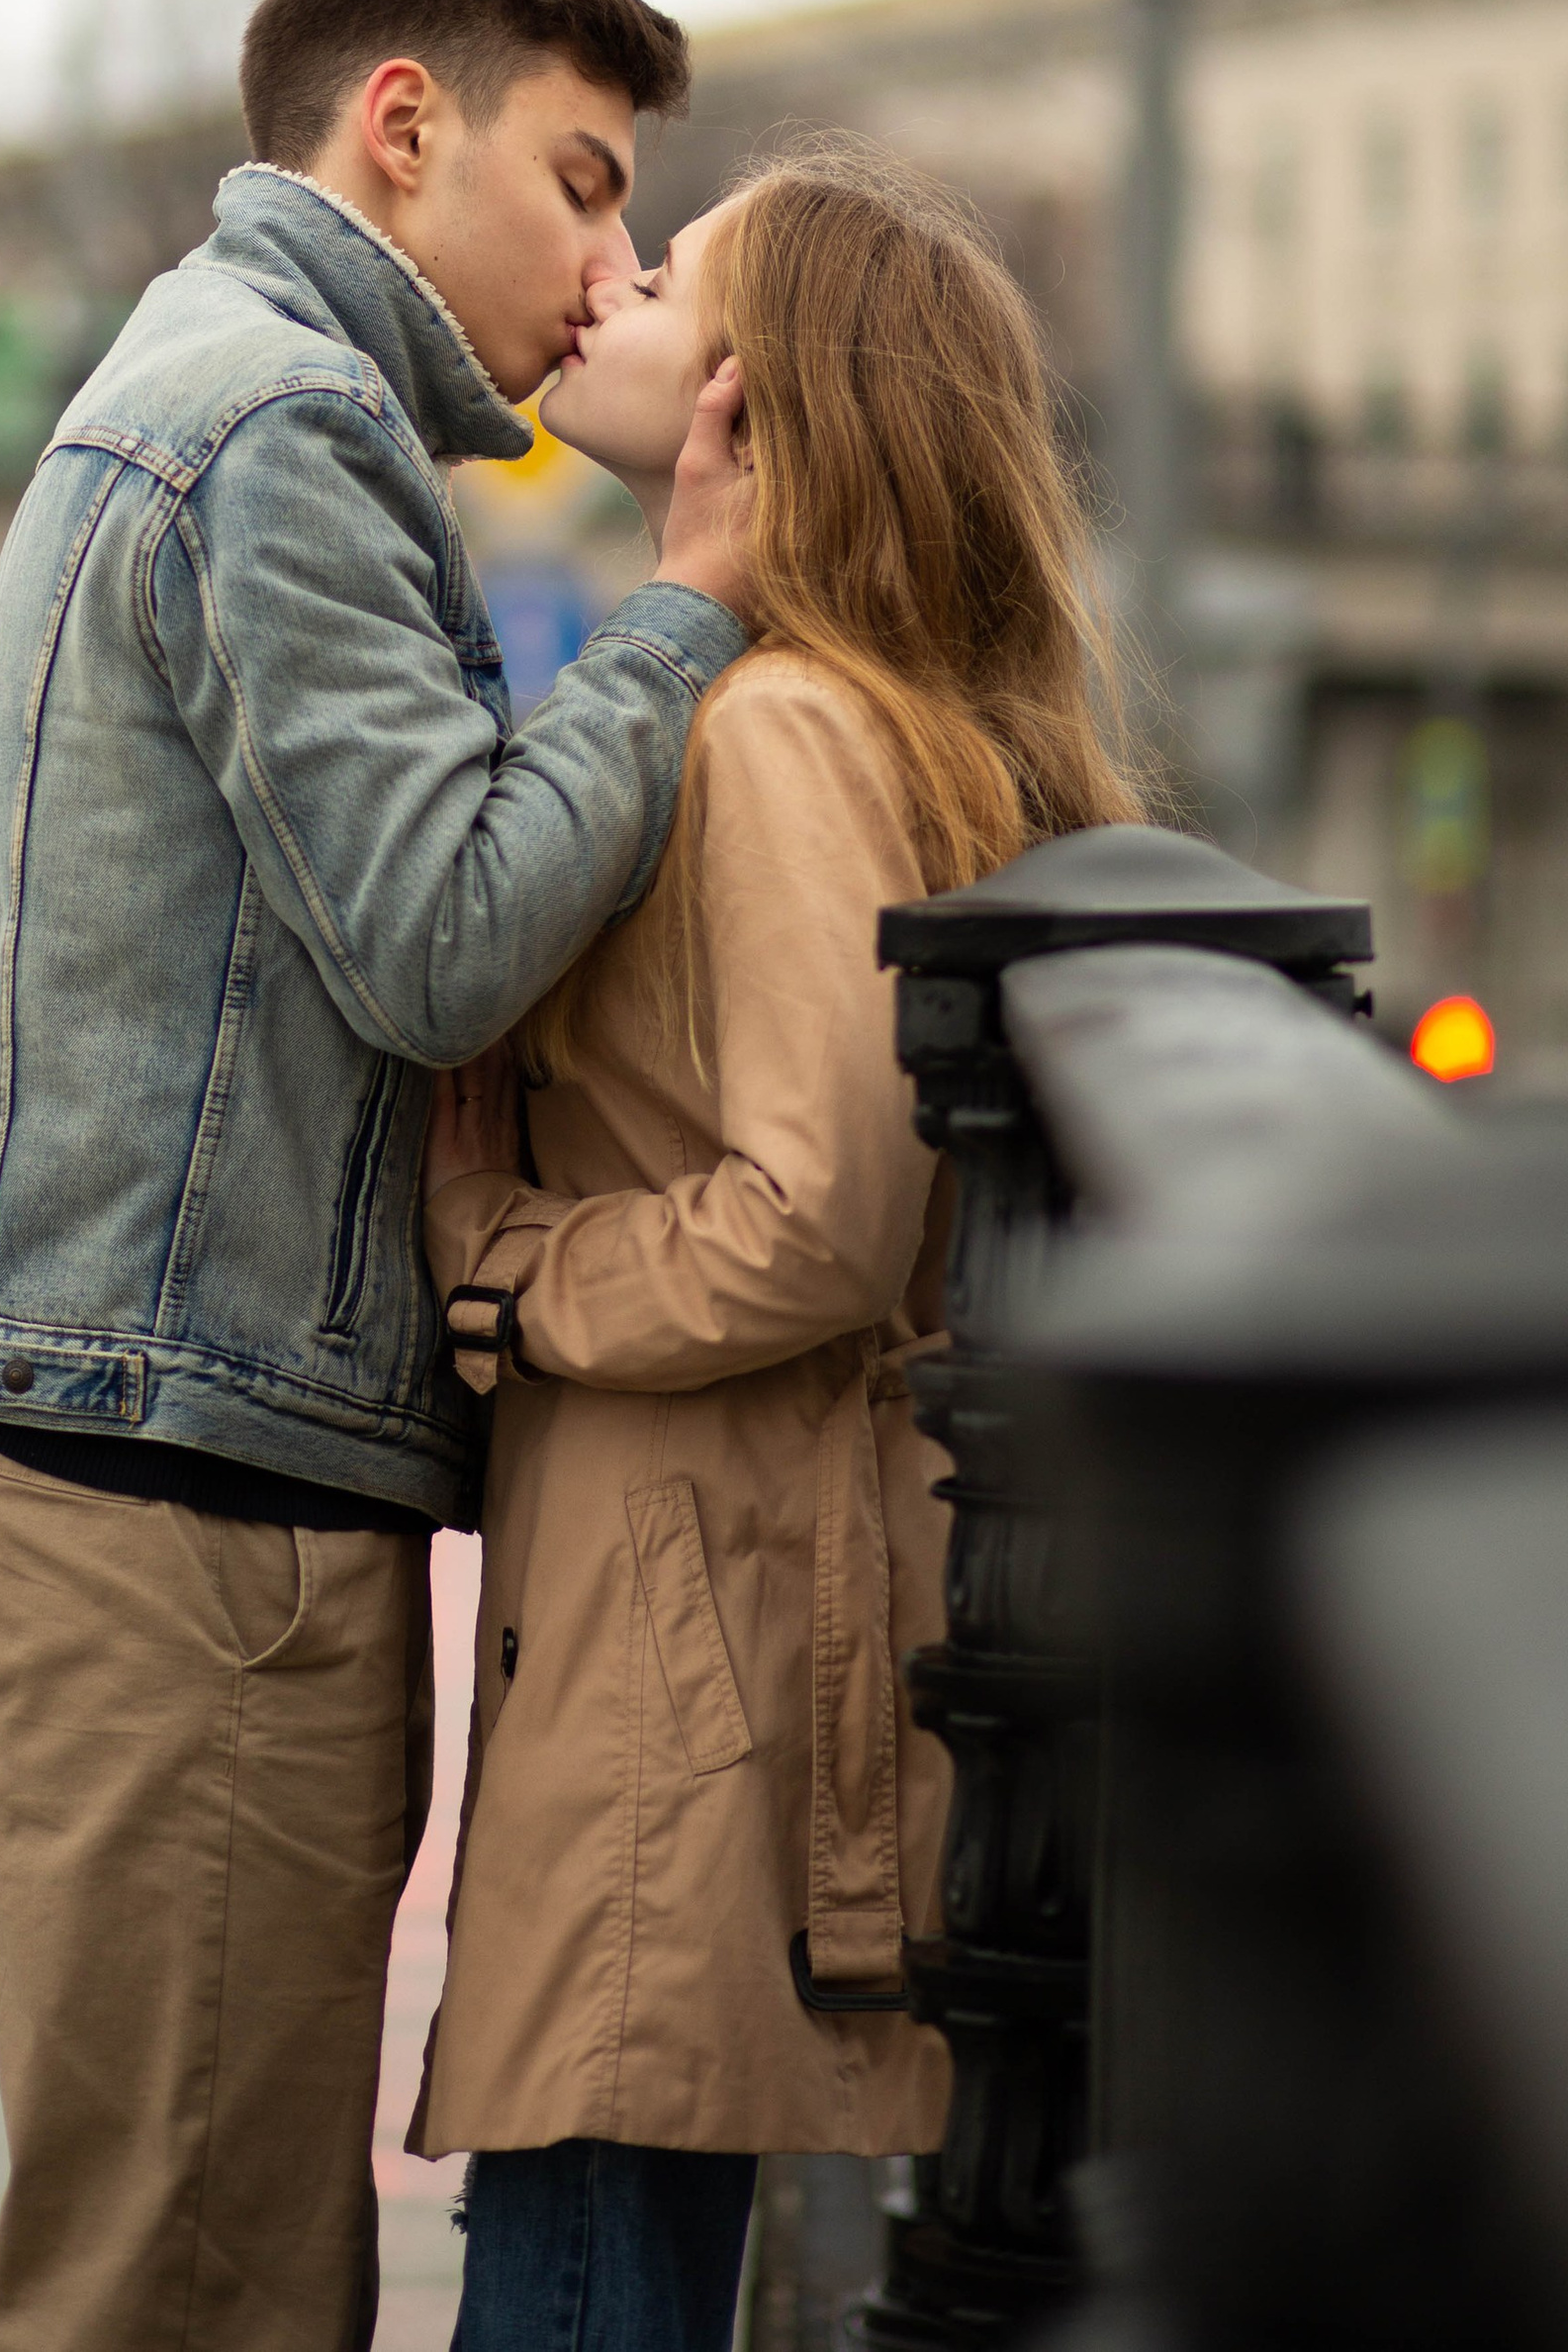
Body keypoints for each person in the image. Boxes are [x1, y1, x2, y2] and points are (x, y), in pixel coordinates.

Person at [0, 0, 755, 2352]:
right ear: (403, 128)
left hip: (153, 1466)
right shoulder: (285, 427)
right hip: (186, 1530)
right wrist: (681, 619)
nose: (609, 270)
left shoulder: (217, 384)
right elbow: (435, 933)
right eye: (584, 184)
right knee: (192, 2286)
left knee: (196, 2256)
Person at [413, 141, 1140, 2350]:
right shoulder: (786, 702)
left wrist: (512, 1277)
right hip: (694, 1601)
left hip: (685, 1636)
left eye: (669, 273)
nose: (607, 280)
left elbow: (815, 1217)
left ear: (759, 400)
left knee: (584, 2265)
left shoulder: (780, 735)